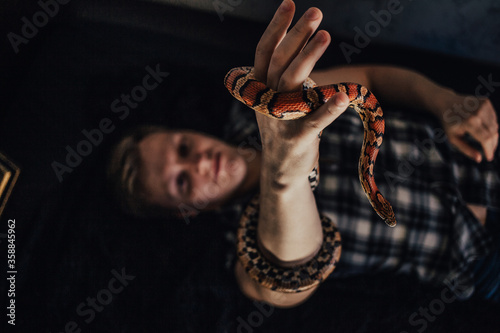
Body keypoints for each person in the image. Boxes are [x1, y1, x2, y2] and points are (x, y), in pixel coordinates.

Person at [107, 1, 500, 308]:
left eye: (183, 147)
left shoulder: (260, 99)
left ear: (188, 130)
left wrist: (444, 100)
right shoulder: (245, 246)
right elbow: (285, 283)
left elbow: (369, 84)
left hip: (486, 152)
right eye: (182, 181)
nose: (199, 163)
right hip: (480, 261)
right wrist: (284, 179)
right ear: (186, 212)